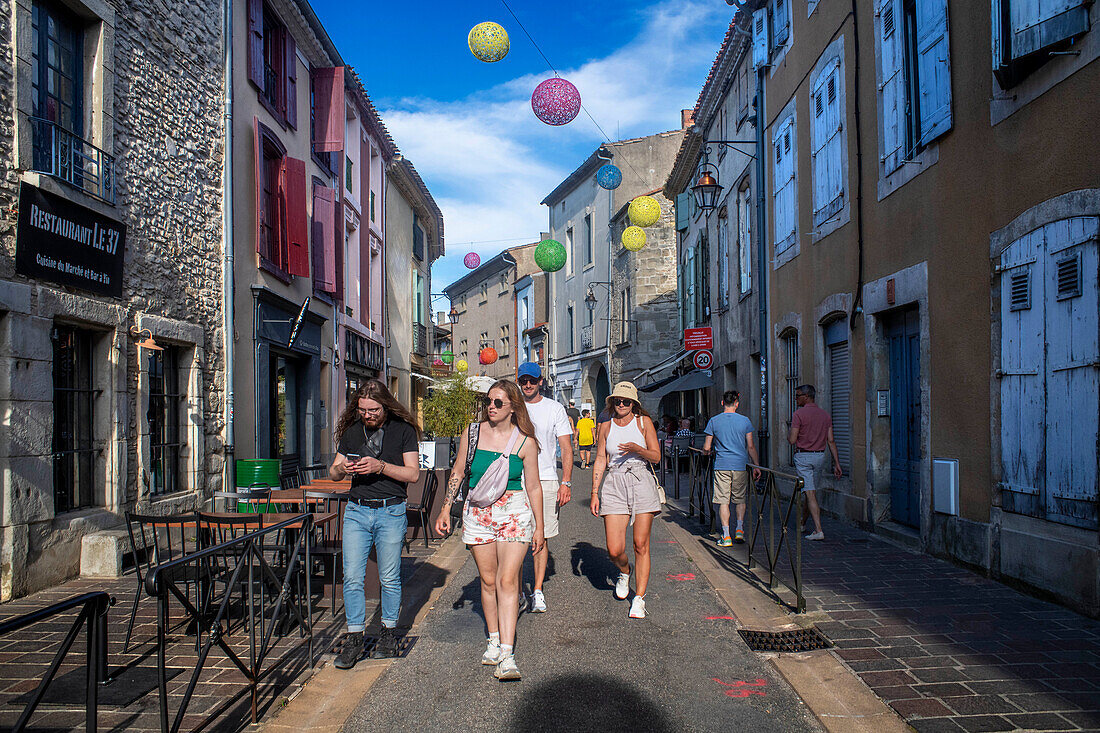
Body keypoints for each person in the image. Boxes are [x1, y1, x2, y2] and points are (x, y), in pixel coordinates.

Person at [435, 380, 544, 681]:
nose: (491, 407)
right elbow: (458, 472)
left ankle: (507, 655)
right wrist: (445, 508)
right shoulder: (471, 433)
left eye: (498, 402)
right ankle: (493, 640)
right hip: (478, 512)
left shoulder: (526, 442)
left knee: (507, 580)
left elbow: (533, 486)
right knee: (488, 580)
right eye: (488, 401)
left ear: (513, 407)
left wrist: (540, 527)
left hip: (514, 511)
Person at [329, 380, 422, 668]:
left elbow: (413, 475)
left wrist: (379, 466)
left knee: (389, 577)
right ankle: (355, 636)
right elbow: (333, 473)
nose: (367, 415)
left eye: (373, 410)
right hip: (356, 510)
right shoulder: (352, 432)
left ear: (385, 405)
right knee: (353, 576)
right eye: (362, 410)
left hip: (390, 511)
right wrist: (342, 469)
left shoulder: (403, 431)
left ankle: (388, 633)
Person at [589, 381, 663, 619]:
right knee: (614, 548)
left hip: (640, 479)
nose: (621, 404)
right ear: (612, 403)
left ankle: (639, 598)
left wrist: (637, 449)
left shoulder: (643, 423)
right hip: (614, 482)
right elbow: (600, 458)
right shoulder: (606, 427)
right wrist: (594, 491)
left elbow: (656, 456)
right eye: (617, 400)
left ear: (634, 404)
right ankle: (624, 570)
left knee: (641, 544)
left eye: (626, 401)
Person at [516, 362, 573, 613]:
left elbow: (566, 447)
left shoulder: (555, 408)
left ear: (541, 381)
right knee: (515, 537)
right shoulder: (512, 407)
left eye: (532, 380)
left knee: (542, 535)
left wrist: (566, 482)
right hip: (515, 479)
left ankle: (537, 590)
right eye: (523, 381)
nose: (527, 385)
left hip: (546, 478)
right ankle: (516, 591)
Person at [703, 391, 761, 546]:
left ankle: (726, 535)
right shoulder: (745, 421)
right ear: (737, 403)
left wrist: (706, 452)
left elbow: (707, 447)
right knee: (740, 499)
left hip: (722, 465)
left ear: (722, 403)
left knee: (723, 501)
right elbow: (750, 446)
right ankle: (740, 529)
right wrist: (756, 465)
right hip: (740, 465)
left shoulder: (714, 421)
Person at [787, 384, 843, 541]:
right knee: (810, 491)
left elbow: (792, 440)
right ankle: (802, 523)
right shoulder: (825, 415)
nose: (795, 398)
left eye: (797, 396)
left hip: (804, 457)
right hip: (820, 457)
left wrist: (790, 433)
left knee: (809, 492)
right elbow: (831, 441)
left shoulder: (798, 414)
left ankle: (818, 530)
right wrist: (837, 463)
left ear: (806, 396)